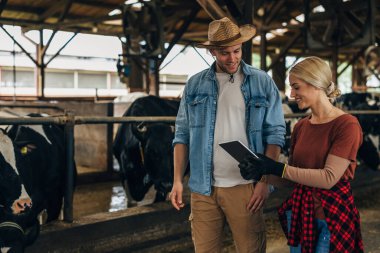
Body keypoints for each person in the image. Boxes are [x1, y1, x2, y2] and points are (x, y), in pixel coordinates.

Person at [169, 17, 286, 253]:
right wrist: (177, 181)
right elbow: (182, 135)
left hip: (246, 187)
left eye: (236, 50)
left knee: (250, 249)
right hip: (204, 187)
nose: (232, 58)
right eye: (224, 53)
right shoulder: (194, 85)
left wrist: (264, 181)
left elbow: (274, 133)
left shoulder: (262, 82)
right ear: (212, 51)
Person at [239, 56, 364, 253]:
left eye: (296, 87)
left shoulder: (346, 125)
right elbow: (292, 179)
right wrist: (262, 173)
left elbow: (328, 178)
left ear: (315, 84)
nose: (291, 94)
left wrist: (276, 167)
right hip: (301, 214)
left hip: (330, 216)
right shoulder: (302, 126)